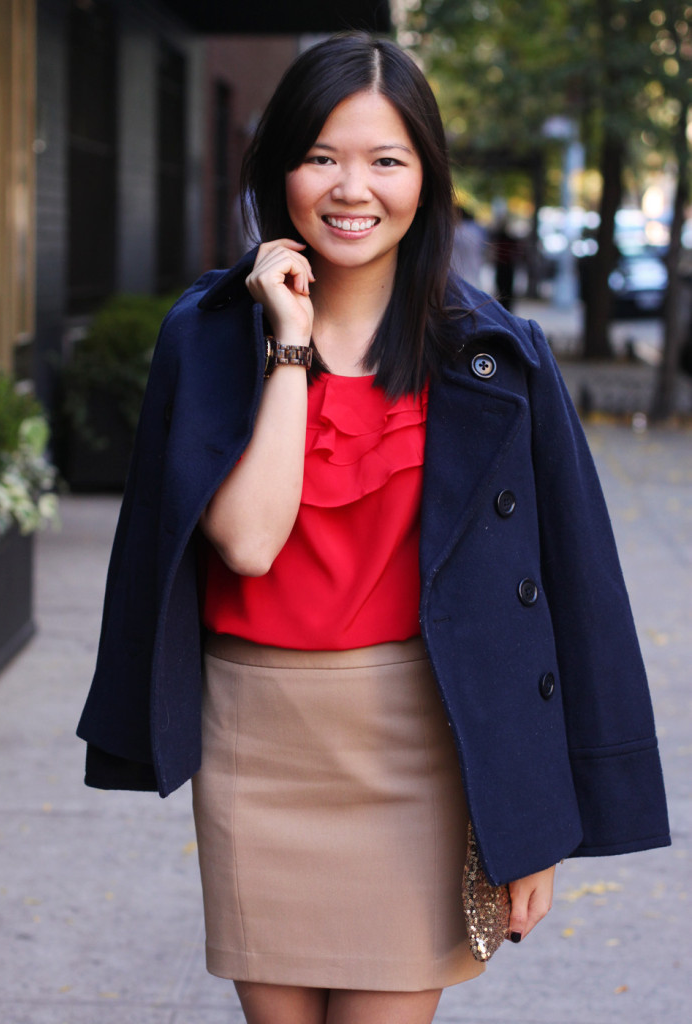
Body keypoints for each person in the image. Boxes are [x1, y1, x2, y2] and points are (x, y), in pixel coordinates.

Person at [77, 33, 670, 1024]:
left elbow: (579, 586)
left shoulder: (495, 355)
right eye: (321, 156)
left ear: (426, 178)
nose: (351, 188)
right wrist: (288, 345)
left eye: (385, 159)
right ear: (278, 173)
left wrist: (538, 820)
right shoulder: (208, 332)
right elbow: (249, 543)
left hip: (421, 749)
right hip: (256, 745)